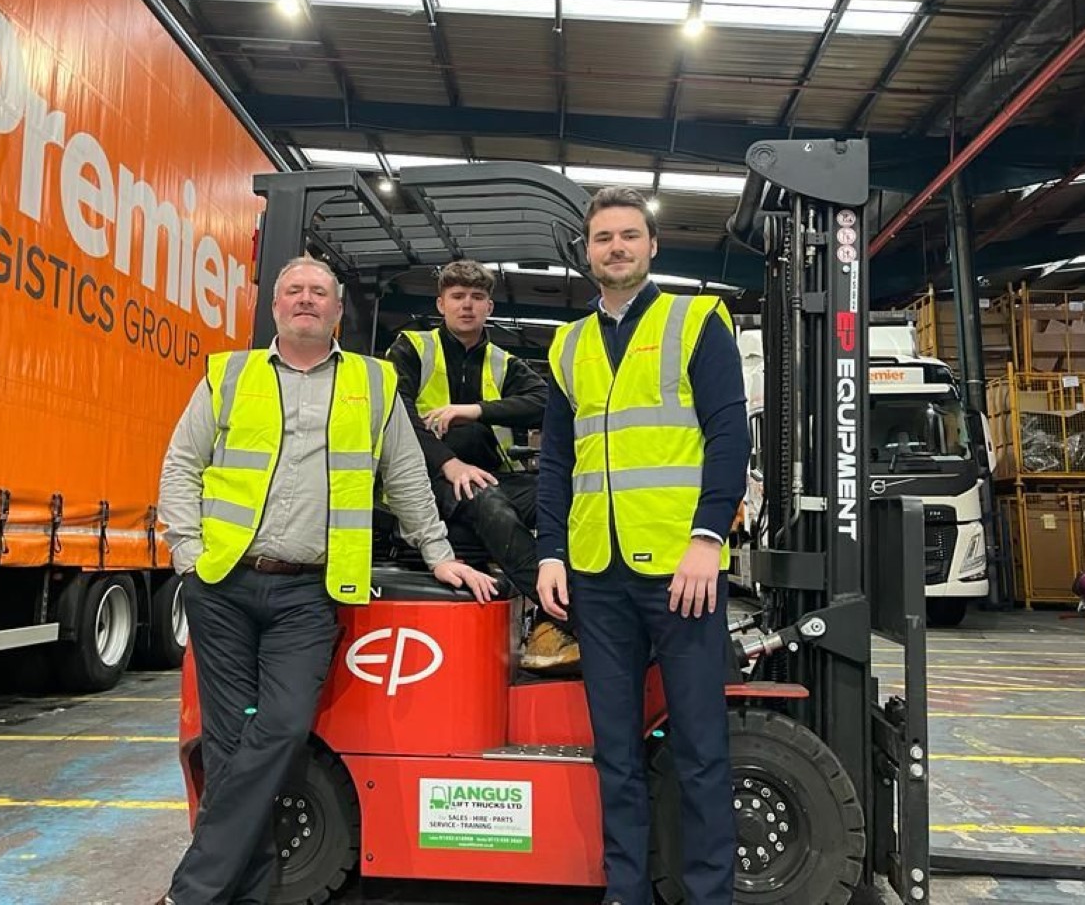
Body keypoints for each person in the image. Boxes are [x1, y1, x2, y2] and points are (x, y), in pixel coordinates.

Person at [156, 256, 498, 905]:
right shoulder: (230, 375)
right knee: (228, 749)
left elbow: (404, 476)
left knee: (282, 729)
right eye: (294, 291)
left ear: (338, 311)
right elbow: (181, 465)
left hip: (309, 593)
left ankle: (193, 893)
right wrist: (188, 553)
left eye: (319, 292)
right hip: (223, 585)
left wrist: (439, 553)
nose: (306, 300)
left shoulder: (371, 384)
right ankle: (246, 896)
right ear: (277, 307)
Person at [536, 187, 749, 905]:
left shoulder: (696, 322)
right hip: (597, 575)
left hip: (682, 573)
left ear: (653, 246)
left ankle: (708, 894)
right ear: (587, 252)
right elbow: (555, 463)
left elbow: (729, 438)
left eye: (629, 235)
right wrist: (549, 552)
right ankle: (624, 892)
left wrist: (706, 538)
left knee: (699, 749)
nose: (616, 247)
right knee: (617, 753)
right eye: (603, 238)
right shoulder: (567, 345)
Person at [387, 259, 579, 672]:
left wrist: (474, 410)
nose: (467, 306)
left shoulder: (503, 362)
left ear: (489, 306)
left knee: (565, 495)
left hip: (491, 475)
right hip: (428, 482)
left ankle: (552, 619)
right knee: (489, 503)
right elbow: (395, 416)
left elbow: (546, 403)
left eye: (476, 298)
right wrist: (449, 464)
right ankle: (576, 617)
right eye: (458, 297)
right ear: (441, 303)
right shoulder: (411, 349)